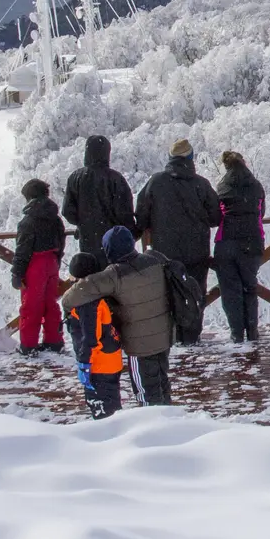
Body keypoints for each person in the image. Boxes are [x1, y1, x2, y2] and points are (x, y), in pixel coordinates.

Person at [63, 226, 176, 405]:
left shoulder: (113, 275)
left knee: (146, 393)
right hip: (164, 337)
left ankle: (156, 427)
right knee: (162, 383)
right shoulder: (154, 260)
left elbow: (73, 296)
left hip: (140, 346)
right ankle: (171, 420)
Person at [136, 139, 219, 345]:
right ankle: (191, 335)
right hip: (197, 251)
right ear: (191, 159)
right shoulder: (201, 184)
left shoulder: (156, 182)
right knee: (195, 292)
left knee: (167, 294)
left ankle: (171, 336)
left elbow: (142, 215)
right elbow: (216, 217)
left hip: (165, 252)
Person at [212, 150, 267, 345]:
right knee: (250, 287)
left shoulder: (222, 187)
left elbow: (215, 216)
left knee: (230, 290)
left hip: (226, 242)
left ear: (226, 166)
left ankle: (236, 333)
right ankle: (252, 331)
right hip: (252, 242)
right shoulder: (256, 186)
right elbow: (261, 213)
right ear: (244, 164)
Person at [62, 252, 125, 418]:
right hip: (110, 358)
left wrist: (84, 363)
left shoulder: (86, 302)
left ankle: (109, 439)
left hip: (99, 364)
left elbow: (91, 338)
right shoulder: (99, 293)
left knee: (102, 409)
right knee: (111, 404)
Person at [10, 178, 67, 355]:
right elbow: (61, 240)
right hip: (52, 261)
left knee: (31, 307)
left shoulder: (28, 222)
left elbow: (22, 250)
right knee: (51, 304)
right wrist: (56, 259)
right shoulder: (55, 219)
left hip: (35, 264)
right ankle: (54, 341)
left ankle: (28, 345)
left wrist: (17, 274)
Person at [63, 135, 137, 257]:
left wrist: (83, 223)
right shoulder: (116, 179)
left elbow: (67, 211)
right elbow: (125, 213)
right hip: (114, 243)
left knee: (92, 273)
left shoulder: (75, 178)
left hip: (87, 241)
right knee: (114, 273)